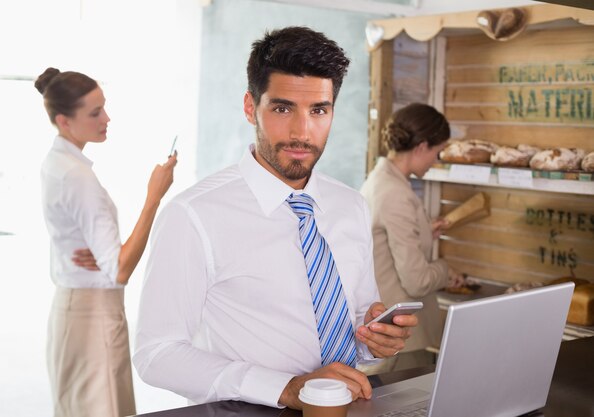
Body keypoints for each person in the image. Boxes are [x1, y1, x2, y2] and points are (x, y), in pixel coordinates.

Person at [133, 26, 418, 411]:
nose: (303, 132)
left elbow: (356, 319)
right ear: (251, 107)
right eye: (283, 108)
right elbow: (157, 354)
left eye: (319, 110)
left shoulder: (350, 205)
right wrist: (285, 388)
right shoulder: (194, 215)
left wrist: (373, 339)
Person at [35, 67, 177, 417]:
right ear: (64, 121)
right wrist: (154, 196)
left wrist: (100, 255)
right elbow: (120, 270)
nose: (107, 118)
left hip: (70, 310)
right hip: (94, 316)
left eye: (104, 107)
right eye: (95, 112)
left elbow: (70, 234)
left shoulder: (55, 163)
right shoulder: (78, 178)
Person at [359, 103, 465, 373]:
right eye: (437, 152)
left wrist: (424, 230)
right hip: (401, 339)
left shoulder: (380, 179)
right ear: (421, 147)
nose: (436, 160)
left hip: (389, 331)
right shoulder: (396, 193)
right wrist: (445, 269)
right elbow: (416, 282)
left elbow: (384, 239)